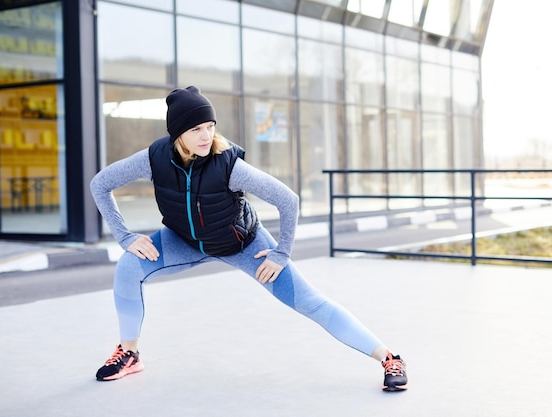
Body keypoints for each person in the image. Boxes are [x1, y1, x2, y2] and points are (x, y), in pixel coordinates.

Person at [90, 86, 408, 392]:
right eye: (197, 128)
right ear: (178, 134)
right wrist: (125, 236)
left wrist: (281, 253)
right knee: (129, 266)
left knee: (309, 301)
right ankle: (129, 353)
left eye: (210, 126)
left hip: (244, 246)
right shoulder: (154, 159)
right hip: (183, 241)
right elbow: (100, 184)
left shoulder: (229, 165)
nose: (206, 135)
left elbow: (288, 200)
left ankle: (389, 358)